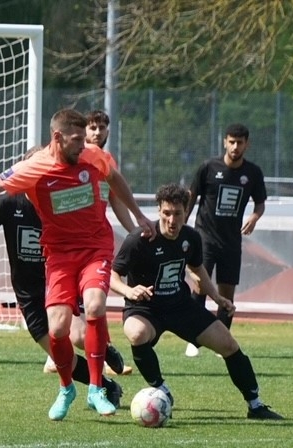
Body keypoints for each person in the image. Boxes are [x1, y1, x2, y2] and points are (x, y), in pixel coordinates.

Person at [0, 108, 156, 421]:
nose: (83, 144)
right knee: (57, 327)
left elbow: (114, 178)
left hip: (95, 246)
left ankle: (96, 388)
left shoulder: (93, 156)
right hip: (59, 254)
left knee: (95, 305)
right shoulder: (34, 168)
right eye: (76, 139)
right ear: (57, 137)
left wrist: (138, 214)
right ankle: (67, 388)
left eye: (83, 138)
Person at [110, 183, 283, 420]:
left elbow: (197, 269)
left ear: (186, 212)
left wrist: (217, 297)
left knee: (228, 344)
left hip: (180, 306)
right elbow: (112, 276)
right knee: (136, 333)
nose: (172, 220)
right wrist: (129, 291)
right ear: (159, 211)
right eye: (166, 213)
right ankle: (161, 389)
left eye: (177, 213)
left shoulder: (190, 237)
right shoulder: (139, 239)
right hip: (145, 307)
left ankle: (255, 405)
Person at [0, 147, 123, 407]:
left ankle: (103, 354)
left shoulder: (58, 203)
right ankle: (108, 387)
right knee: (61, 356)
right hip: (28, 294)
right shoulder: (7, 203)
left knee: (78, 337)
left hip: (60, 281)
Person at [42, 110, 135, 376]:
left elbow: (116, 199)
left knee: (94, 303)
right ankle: (61, 355)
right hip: (66, 245)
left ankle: (101, 356)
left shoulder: (105, 160)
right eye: (91, 128)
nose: (96, 133)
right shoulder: (66, 160)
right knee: (68, 308)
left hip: (94, 242)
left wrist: (134, 231)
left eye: (101, 128)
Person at [184, 123, 267, 357]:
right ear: (224, 142)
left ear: (247, 144)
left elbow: (260, 203)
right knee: (200, 286)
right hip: (205, 237)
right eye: (231, 142)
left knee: (227, 293)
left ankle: (222, 340)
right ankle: (194, 338)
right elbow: (192, 196)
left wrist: (254, 217)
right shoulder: (209, 168)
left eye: (240, 142)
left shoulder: (253, 173)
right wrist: (183, 226)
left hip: (231, 242)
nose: (235, 147)